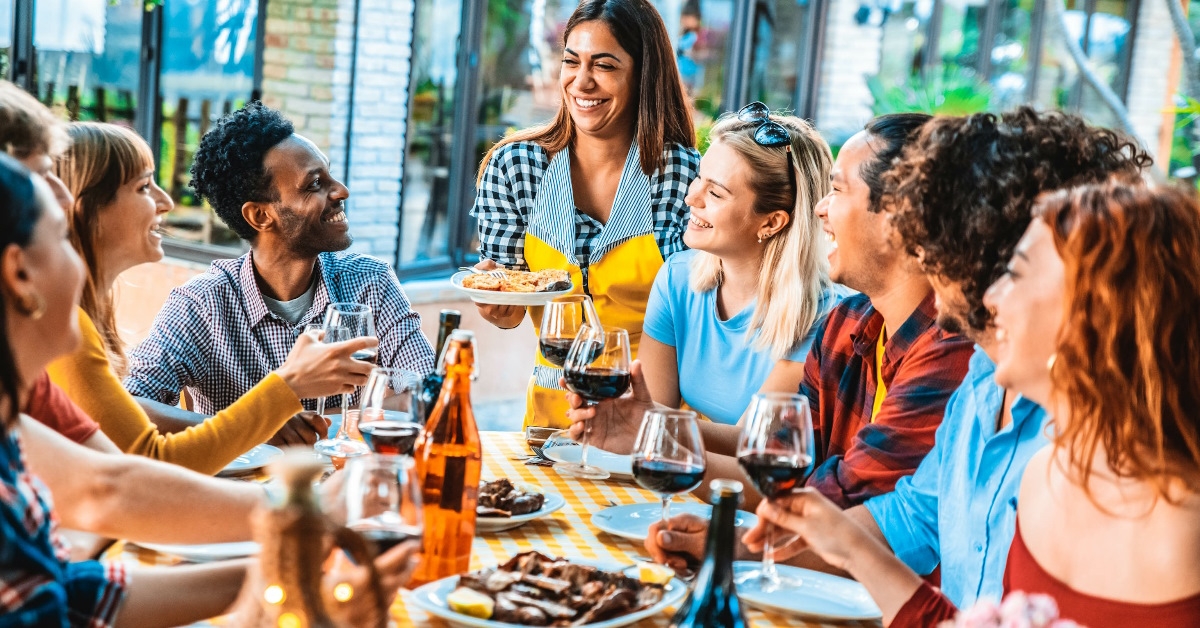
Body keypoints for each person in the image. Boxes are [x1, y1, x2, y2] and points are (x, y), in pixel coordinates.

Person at [750, 183, 1200, 627]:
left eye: (1016, 274)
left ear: (1093, 313)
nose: (990, 296)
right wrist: (845, 541)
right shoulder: (1045, 476)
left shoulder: (1184, 530)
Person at [0, 154, 417, 625]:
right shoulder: (198, 300)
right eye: (61, 239)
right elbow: (129, 469)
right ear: (18, 275)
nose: (166, 201)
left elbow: (108, 494)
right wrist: (267, 598)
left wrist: (296, 564)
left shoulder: (9, 424)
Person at [571, 113, 975, 514]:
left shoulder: (945, 354)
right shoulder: (848, 325)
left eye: (838, 191)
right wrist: (647, 430)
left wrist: (655, 440)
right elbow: (774, 464)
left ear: (900, 221)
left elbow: (843, 503)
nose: (819, 209)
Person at [41, 122, 379, 474]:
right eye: (143, 186)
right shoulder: (66, 331)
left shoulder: (81, 320)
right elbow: (143, 463)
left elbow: (125, 465)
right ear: (83, 207)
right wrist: (284, 390)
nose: (167, 202)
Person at [471, 0, 699, 429]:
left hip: (651, 417)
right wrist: (499, 305)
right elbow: (513, 301)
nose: (582, 81)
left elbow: (701, 309)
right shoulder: (516, 167)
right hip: (552, 417)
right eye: (571, 62)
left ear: (643, 75)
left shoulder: (684, 176)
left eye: (605, 66)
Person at [123, 102, 435, 415]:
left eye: (330, 175)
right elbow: (129, 411)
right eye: (314, 184)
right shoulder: (203, 306)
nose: (341, 191)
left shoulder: (371, 283)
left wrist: (313, 425)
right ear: (260, 215)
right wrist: (261, 426)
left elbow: (429, 396)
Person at [640, 104, 845, 424]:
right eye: (699, 179)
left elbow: (752, 446)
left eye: (716, 193)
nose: (692, 198)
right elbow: (654, 424)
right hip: (696, 468)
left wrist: (634, 423)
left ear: (772, 222)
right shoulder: (676, 280)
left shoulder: (821, 315)